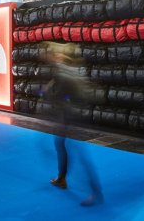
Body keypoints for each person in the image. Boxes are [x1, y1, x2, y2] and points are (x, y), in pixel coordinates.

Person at [44, 42, 103, 206]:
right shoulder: (71, 69)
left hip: (72, 116)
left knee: (78, 153)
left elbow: (58, 96)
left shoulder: (64, 72)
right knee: (60, 143)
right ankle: (62, 178)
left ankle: (95, 191)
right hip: (70, 115)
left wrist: (48, 90)